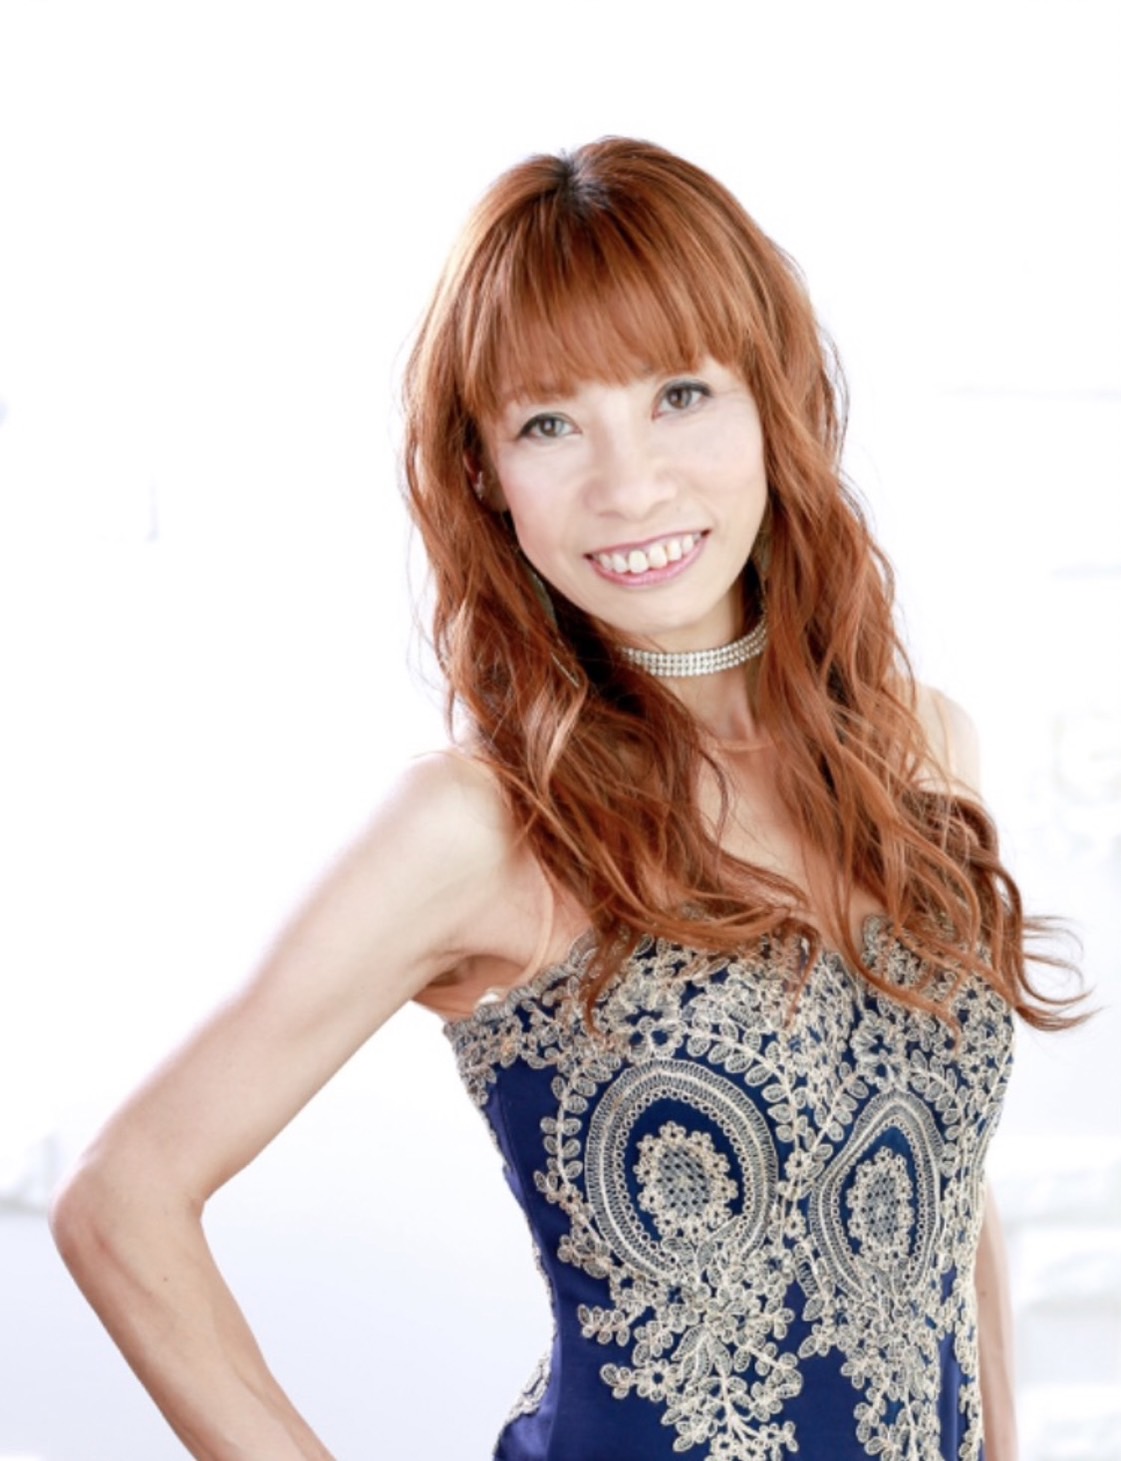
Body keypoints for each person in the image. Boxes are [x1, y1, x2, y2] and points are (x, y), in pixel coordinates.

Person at [50, 137, 1078, 1461]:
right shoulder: (479, 829)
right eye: (549, 423)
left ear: (774, 398)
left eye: (679, 394)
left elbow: (938, 1176)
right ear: (482, 470)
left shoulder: (917, 753)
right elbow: (120, 1197)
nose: (629, 483)